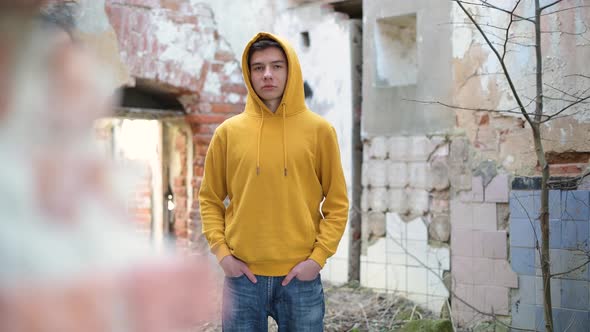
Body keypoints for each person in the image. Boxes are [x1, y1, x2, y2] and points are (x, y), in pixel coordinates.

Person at [199, 32, 349, 331]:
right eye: (258, 67)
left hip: (300, 279)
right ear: (249, 73)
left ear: (290, 70)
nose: (267, 74)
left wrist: (317, 260)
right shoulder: (228, 133)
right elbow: (210, 199)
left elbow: (337, 204)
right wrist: (223, 254)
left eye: (277, 66)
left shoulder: (320, 131)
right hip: (242, 280)